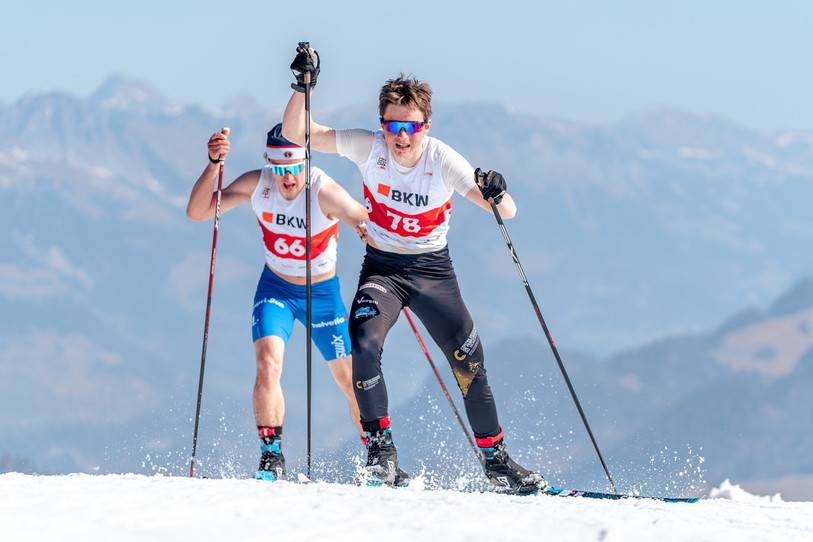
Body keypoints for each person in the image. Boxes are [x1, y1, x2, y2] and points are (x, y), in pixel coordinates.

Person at [281, 44, 547, 494]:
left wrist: (497, 193)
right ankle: (381, 455)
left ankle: (496, 461)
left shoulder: (442, 160)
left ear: (427, 125)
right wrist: (304, 87)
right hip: (383, 269)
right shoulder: (370, 147)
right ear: (382, 123)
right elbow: (296, 132)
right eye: (392, 125)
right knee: (363, 345)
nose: (401, 137)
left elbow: (508, 211)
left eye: (411, 127)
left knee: (470, 364)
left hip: (432, 272)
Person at [186, 123, 369, 481]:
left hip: (322, 296)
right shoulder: (260, 183)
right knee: (267, 363)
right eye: (279, 168)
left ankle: (378, 452)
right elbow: (198, 212)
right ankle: (271, 457)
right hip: (277, 289)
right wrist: (212, 165)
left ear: (307, 162)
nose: (287, 179)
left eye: (295, 168)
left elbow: (363, 219)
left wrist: (366, 230)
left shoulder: (324, 191)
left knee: (350, 381)